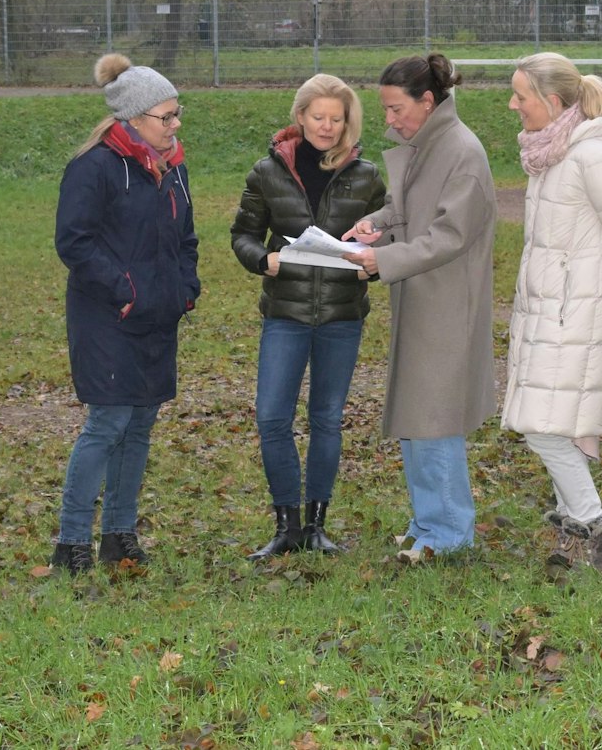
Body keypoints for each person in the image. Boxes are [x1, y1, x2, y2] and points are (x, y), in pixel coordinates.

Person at [340, 54, 497, 563]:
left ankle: (449, 532)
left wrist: (382, 259)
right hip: (422, 296)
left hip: (447, 303)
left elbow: (450, 235)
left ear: (427, 101)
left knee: (435, 417)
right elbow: (407, 208)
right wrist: (377, 224)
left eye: (395, 109)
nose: (389, 119)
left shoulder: (462, 152)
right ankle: (429, 521)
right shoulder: (428, 144)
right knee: (416, 415)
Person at [501, 52, 602, 575]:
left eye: (520, 95)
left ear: (552, 101)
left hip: (576, 316)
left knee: (542, 425)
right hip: (549, 313)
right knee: (553, 426)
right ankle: (573, 534)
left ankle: (592, 532)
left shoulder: (591, 157)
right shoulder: (550, 154)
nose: (512, 104)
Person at [50, 53, 199, 575]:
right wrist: (125, 290)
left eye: (177, 113)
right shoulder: (93, 168)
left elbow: (186, 239)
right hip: (107, 319)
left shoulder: (173, 169)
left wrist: (183, 289)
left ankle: (119, 535)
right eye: (167, 116)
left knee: (139, 424)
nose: (175, 124)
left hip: (158, 318)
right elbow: (74, 242)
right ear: (134, 118)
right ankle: (71, 543)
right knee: (108, 422)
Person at [230, 75, 387, 558]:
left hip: (342, 315)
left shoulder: (367, 175)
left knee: (327, 420)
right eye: (318, 117)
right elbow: (243, 234)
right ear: (300, 117)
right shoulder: (267, 171)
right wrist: (263, 260)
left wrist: (374, 260)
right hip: (286, 313)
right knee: (272, 417)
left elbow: (389, 237)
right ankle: (287, 527)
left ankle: (317, 526)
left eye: (336, 119)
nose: (327, 126)